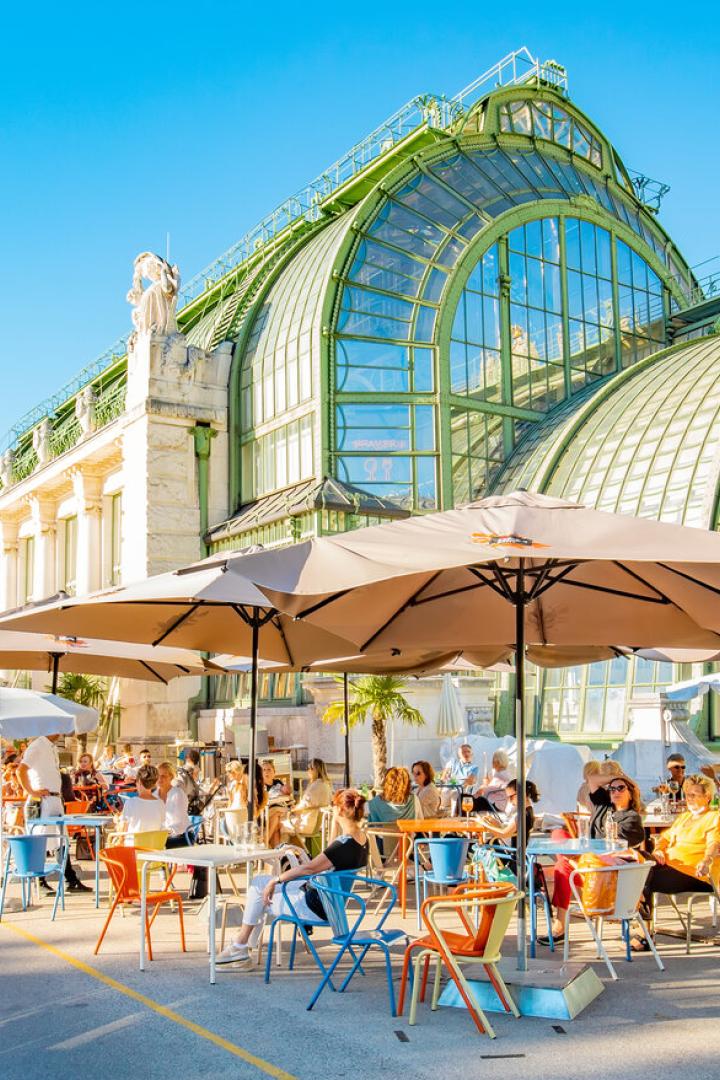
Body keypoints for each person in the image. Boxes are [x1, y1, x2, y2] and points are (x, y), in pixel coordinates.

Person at [217, 788, 369, 967]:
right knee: (259, 886)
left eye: (334, 807)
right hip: (331, 903)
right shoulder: (361, 839)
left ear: (341, 810)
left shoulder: (342, 845)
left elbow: (309, 868)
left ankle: (240, 946)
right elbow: (329, 856)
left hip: (315, 905)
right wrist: (335, 826)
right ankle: (243, 947)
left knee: (260, 891)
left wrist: (276, 880)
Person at [544, 773, 646, 944]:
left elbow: (615, 848)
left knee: (563, 863)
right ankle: (560, 924)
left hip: (605, 872)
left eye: (621, 788)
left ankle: (560, 926)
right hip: (587, 866)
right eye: (612, 788)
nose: (615, 791)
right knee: (559, 841)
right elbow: (592, 779)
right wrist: (618, 776)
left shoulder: (631, 818)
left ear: (630, 793)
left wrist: (628, 781)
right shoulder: (604, 807)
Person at [633, 773, 720, 951]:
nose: (689, 798)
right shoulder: (685, 817)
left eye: (694, 794)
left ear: (707, 797)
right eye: (687, 794)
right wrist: (658, 850)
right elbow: (664, 838)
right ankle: (645, 929)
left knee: (643, 871)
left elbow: (714, 843)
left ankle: (645, 931)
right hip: (671, 868)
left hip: (696, 873)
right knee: (639, 861)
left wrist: (706, 859)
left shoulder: (714, 817)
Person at [16, 733, 91, 893]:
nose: (61, 732)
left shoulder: (51, 747)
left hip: (54, 799)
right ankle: (40, 881)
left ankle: (70, 878)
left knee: (61, 840)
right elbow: (21, 770)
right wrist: (32, 791)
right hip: (43, 800)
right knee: (40, 840)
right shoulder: (37, 745)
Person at [281, 758, 333, 845]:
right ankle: (293, 853)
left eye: (310, 768)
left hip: (308, 822)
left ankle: (283, 854)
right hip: (316, 822)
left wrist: (292, 809)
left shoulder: (316, 786)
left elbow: (305, 804)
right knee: (284, 821)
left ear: (315, 770)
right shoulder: (325, 784)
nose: (308, 771)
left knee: (281, 824)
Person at [115, 765, 165, 841]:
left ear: (139, 782)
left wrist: (117, 821)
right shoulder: (160, 803)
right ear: (155, 783)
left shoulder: (131, 803)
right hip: (154, 848)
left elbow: (122, 834)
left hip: (134, 849)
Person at [156, 761, 191, 847]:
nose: (160, 779)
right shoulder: (153, 796)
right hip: (162, 835)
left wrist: (164, 834)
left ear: (171, 777)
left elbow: (179, 824)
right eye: (157, 776)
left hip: (183, 836)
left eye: (163, 776)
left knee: (158, 845)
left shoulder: (178, 794)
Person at [263, 760, 293, 847]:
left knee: (276, 823)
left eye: (269, 770)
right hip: (267, 811)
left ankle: (269, 847)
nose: (266, 772)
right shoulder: (261, 786)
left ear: (274, 772)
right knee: (276, 820)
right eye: (264, 770)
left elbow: (286, 793)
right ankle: (273, 849)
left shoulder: (278, 783)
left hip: (279, 809)